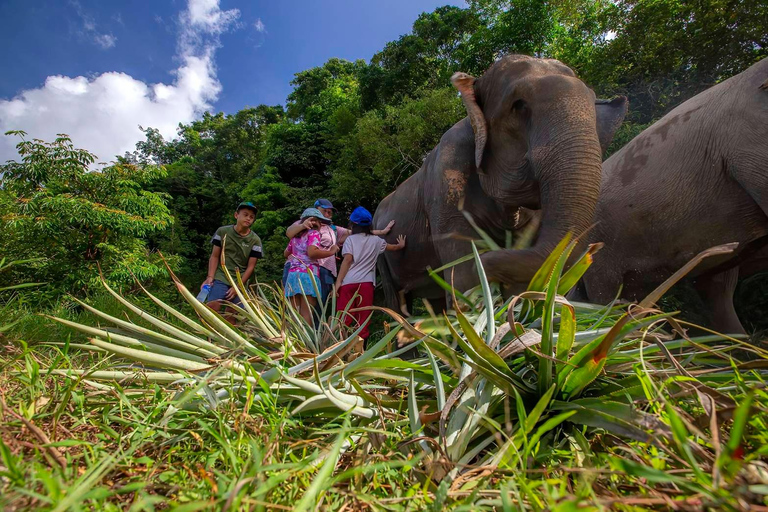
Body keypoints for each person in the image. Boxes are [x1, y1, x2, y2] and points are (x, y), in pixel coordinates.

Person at [284, 198, 395, 308]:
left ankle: (316, 326)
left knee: (319, 305)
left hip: (325, 270)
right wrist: (303, 225)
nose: (328, 214)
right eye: (325, 211)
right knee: (298, 306)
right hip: (301, 268)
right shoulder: (304, 222)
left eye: (330, 212)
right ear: (316, 209)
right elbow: (289, 233)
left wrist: (382, 231)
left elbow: (358, 231)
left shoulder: (333, 229)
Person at [335, 206, 406, 345]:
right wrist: (401, 245)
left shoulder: (350, 240)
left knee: (344, 317)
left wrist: (338, 282)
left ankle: (342, 351)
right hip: (366, 284)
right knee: (363, 319)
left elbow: (348, 260)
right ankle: (361, 353)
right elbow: (393, 248)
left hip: (348, 283)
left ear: (353, 224)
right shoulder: (377, 241)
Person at [201, 202, 263, 315]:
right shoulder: (222, 232)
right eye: (245, 214)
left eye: (251, 217)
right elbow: (214, 256)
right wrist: (210, 277)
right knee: (212, 308)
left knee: (234, 313)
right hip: (221, 276)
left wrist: (238, 287)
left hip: (240, 279)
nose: (248, 218)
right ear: (236, 215)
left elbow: (251, 267)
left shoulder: (255, 240)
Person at [284, 208, 340, 326]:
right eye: (320, 222)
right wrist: (331, 251)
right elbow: (312, 253)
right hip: (308, 275)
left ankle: (292, 341)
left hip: (293, 275)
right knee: (307, 313)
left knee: (294, 313)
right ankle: (305, 342)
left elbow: (286, 253)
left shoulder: (295, 237)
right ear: (315, 222)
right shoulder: (314, 233)